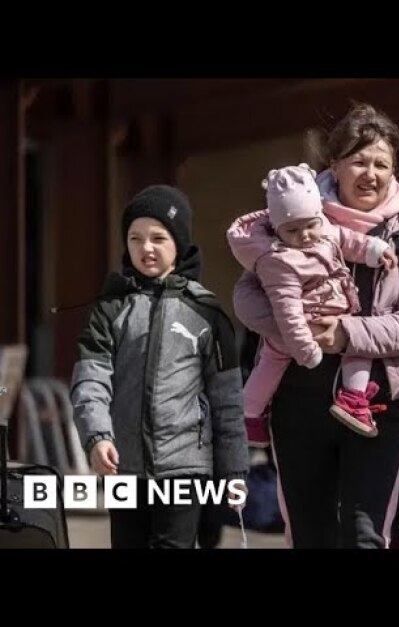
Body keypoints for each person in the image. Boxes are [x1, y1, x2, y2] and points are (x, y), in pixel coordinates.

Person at [231, 103, 399, 548]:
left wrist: (345, 334)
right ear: (335, 164)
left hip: (377, 404)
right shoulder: (290, 218)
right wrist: (301, 330)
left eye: (381, 164)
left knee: (365, 535)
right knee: (311, 535)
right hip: (298, 398)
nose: (370, 174)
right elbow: (246, 298)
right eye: (359, 161)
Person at [70, 185, 249, 549]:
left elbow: (227, 399)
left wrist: (233, 470)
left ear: (178, 243)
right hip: (124, 465)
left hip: (186, 466)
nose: (146, 248)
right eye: (135, 238)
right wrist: (97, 436)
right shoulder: (110, 307)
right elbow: (91, 378)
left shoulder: (206, 313)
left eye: (158, 238)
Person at [227, 164, 398, 440]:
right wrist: (305, 348)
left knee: (356, 343)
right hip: (304, 325)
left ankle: (351, 399)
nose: (305, 235)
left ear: (319, 216)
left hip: (336, 312)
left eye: (310, 225)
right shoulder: (279, 262)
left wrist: (374, 249)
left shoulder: (325, 230)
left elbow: (348, 240)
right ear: (277, 231)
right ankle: (248, 414)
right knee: (273, 362)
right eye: (292, 230)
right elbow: (287, 312)